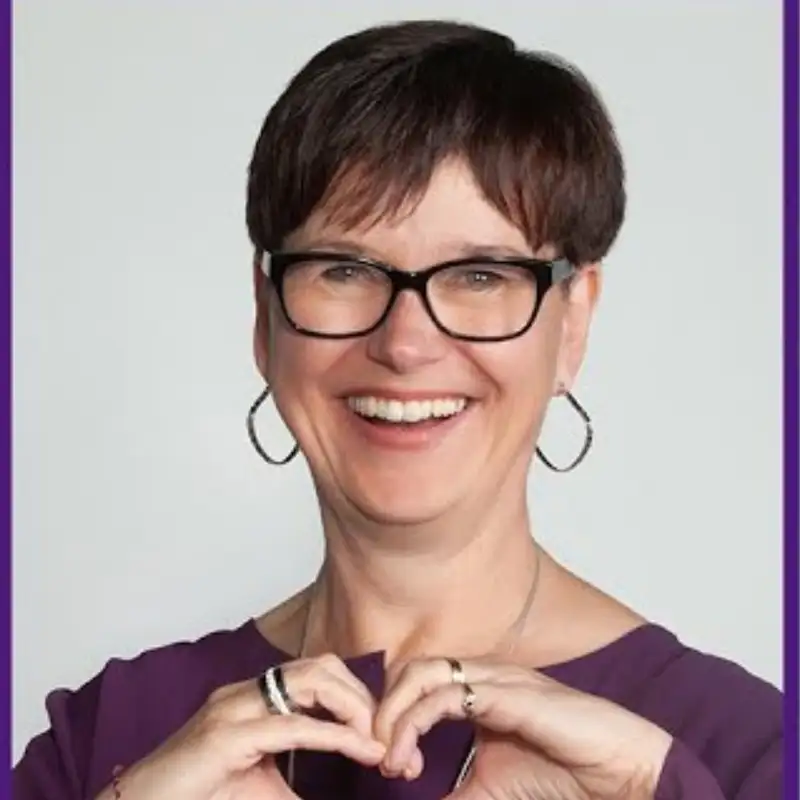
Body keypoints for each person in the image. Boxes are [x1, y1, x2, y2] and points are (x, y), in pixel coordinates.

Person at [14, 18, 782, 800]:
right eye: (344, 269)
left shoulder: (746, 750)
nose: (405, 343)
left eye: (481, 276)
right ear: (265, 313)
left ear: (573, 321)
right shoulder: (104, 739)